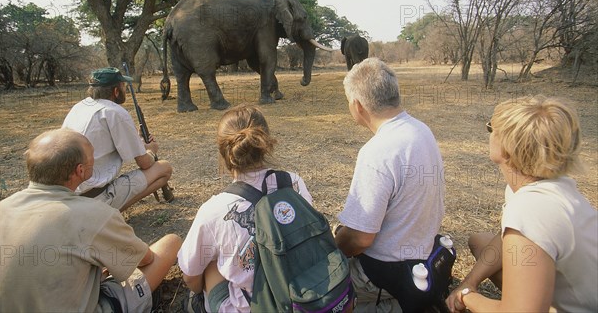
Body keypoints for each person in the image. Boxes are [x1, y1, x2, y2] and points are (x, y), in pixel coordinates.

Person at [0, 128, 182, 312]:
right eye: (92, 156)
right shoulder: (94, 214)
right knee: (171, 243)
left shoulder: (3, 208)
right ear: (80, 170)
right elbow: (144, 259)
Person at [449, 95, 597, 312]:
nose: (488, 132)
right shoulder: (545, 185)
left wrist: (466, 297)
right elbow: (505, 238)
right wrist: (469, 282)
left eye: (491, 128)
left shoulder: (531, 210)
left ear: (507, 149)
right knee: (481, 242)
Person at [177, 105, 314, 312]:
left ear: (224, 154)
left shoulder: (214, 210)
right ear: (266, 143)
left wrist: (200, 291)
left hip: (253, 306)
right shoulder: (294, 182)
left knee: (210, 263)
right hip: (301, 297)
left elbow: (190, 275)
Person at [334, 57, 445, 312]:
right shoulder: (421, 130)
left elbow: (360, 239)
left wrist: (333, 248)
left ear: (357, 105)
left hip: (384, 271)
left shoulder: (378, 151)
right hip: (421, 252)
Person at [63, 67, 173, 211]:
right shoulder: (115, 112)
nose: (125, 90)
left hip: (67, 196)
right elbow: (145, 163)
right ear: (116, 91)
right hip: (94, 197)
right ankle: (110, 212)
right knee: (164, 168)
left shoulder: (78, 107)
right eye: (123, 86)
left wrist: (137, 140)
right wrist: (151, 150)